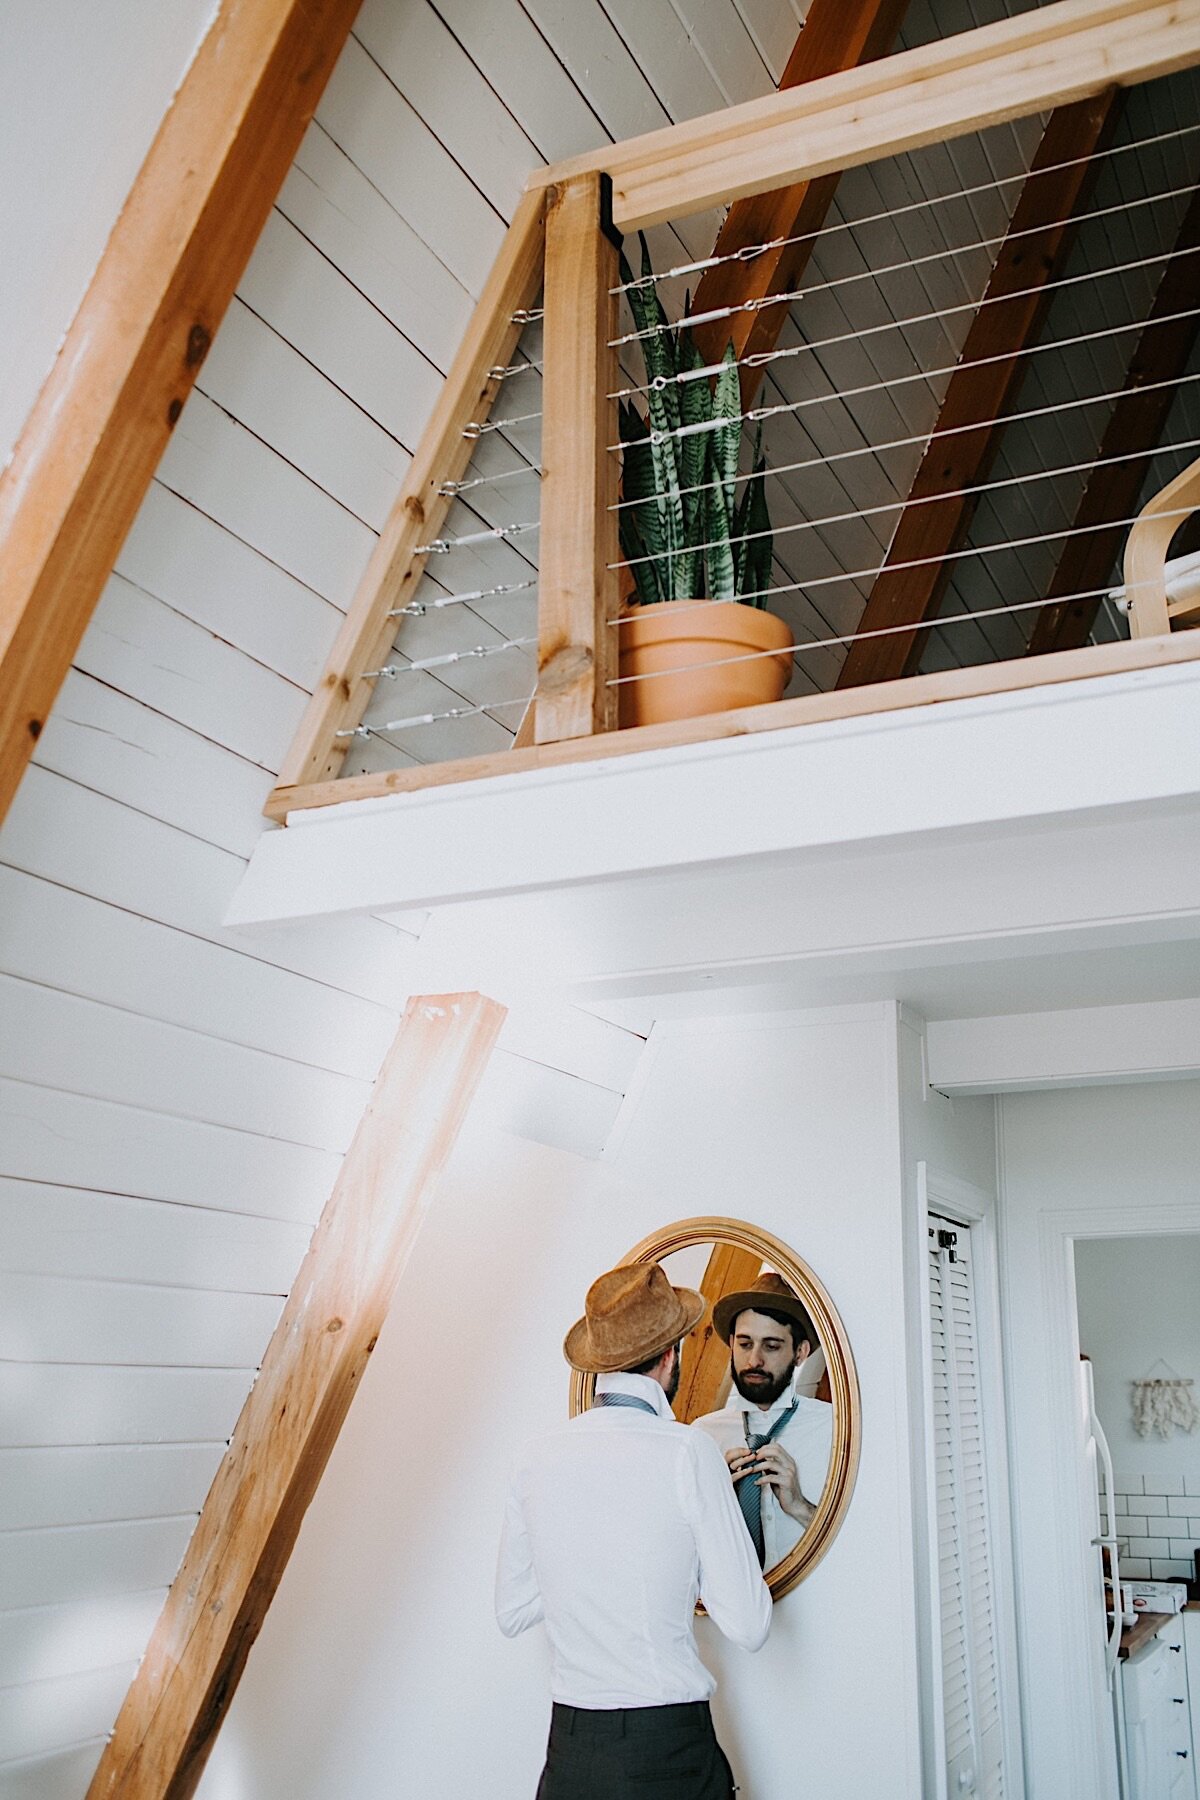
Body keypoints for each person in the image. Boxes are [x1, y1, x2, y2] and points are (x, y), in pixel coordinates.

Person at [496, 1260, 771, 1799]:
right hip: (664, 1747)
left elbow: (512, 1612)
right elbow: (749, 1625)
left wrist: (587, 1574)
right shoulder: (688, 1451)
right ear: (671, 1356)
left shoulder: (534, 1458)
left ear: (601, 1364)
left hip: (571, 1752)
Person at [692, 1273, 834, 1571]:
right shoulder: (702, 1436)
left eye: (771, 1346)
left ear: (800, 1352)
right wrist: (718, 1509)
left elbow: (865, 1545)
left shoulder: (834, 1431)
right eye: (744, 1344)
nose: (754, 1359)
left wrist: (800, 1506)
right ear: (731, 1344)